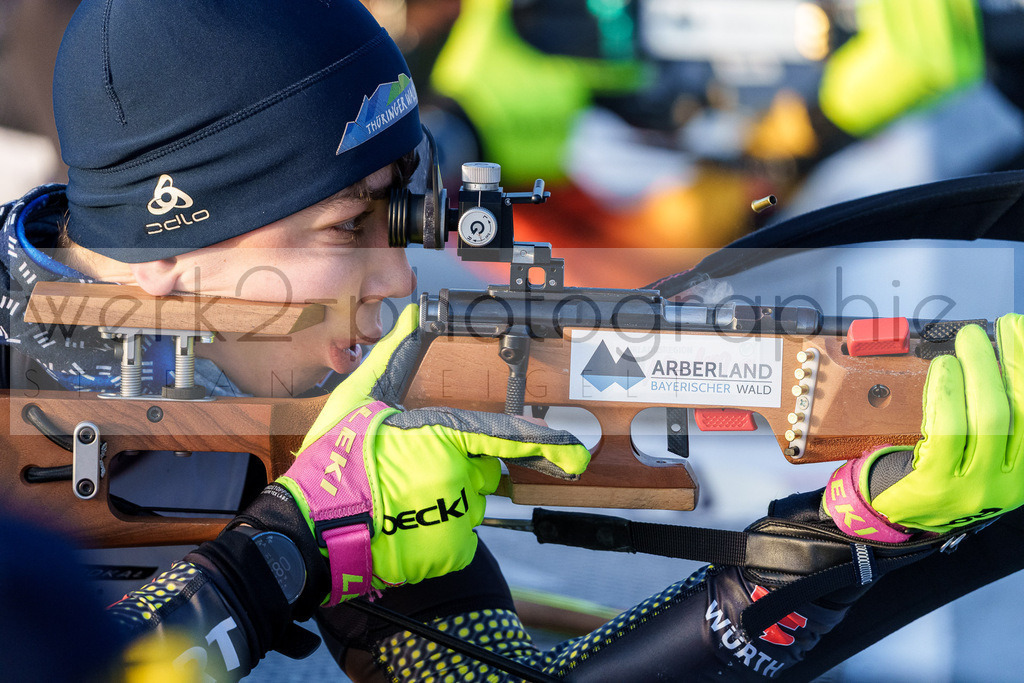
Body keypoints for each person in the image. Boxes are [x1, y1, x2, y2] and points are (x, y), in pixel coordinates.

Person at [1, 1, 1022, 681]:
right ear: (161, 248)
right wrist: (286, 549)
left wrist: (836, 546)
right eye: (342, 229)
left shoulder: (345, 422)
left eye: (399, 219)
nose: (398, 280)